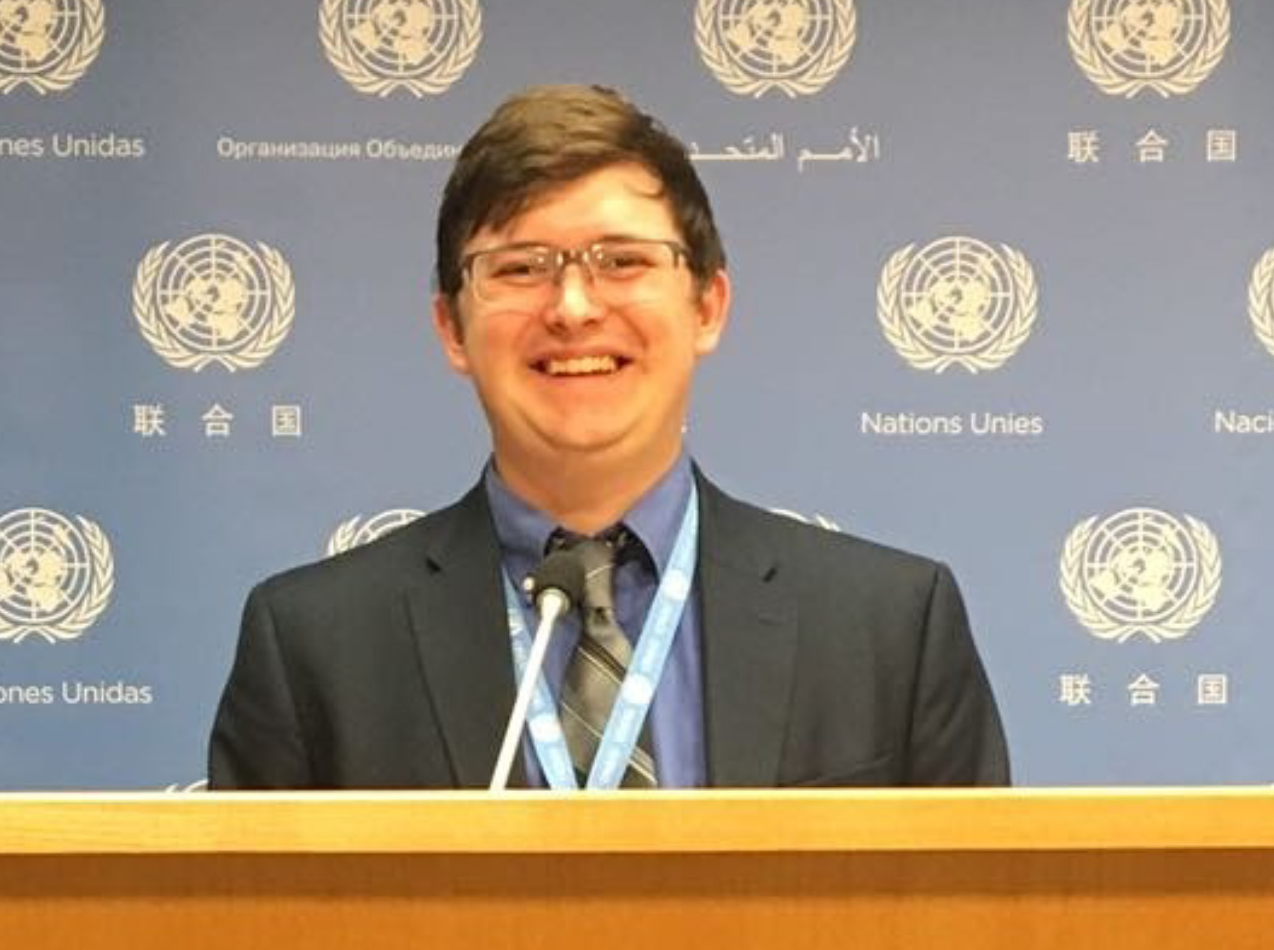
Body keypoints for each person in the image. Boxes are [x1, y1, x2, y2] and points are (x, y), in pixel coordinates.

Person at [206, 84, 1009, 790]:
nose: (574, 307)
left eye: (622, 261)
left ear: (707, 306)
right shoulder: (314, 643)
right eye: (520, 268)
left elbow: (975, 941)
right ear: (452, 327)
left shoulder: (889, 627)